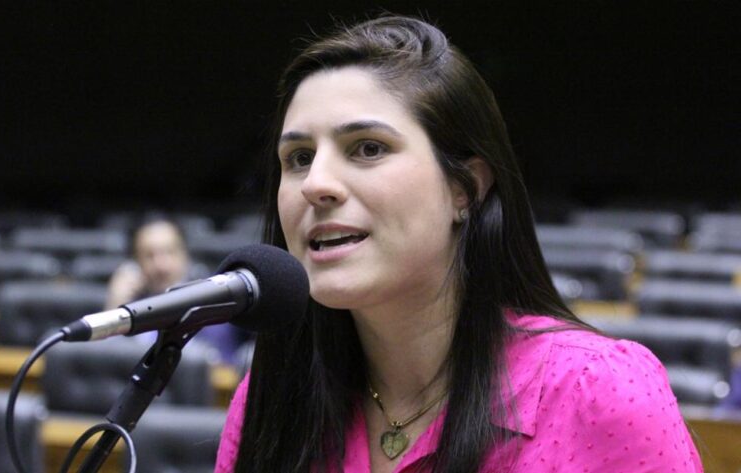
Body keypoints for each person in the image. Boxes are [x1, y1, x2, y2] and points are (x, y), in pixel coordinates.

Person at [215, 15, 702, 473]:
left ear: (465, 189)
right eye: (298, 157)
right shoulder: (273, 396)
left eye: (367, 148)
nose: (315, 183)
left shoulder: (597, 392)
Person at [106, 217, 247, 366]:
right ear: (135, 262)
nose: (161, 265)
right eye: (149, 255)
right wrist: (115, 302)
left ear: (185, 254)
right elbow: (109, 368)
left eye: (169, 252)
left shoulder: (214, 298)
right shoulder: (131, 304)